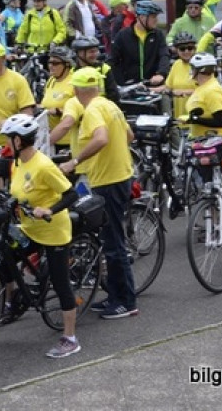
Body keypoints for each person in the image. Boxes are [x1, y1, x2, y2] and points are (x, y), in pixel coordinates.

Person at [0, 114, 81, 358]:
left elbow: (70, 195)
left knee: (61, 283)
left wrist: (50, 209)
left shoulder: (43, 166)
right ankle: (15, 301)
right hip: (29, 228)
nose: (5, 143)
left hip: (53, 231)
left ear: (19, 140)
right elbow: (19, 193)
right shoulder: (17, 162)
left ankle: (70, 338)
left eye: (8, 139)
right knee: (5, 259)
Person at [59, 68, 137, 319]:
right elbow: (129, 136)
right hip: (121, 174)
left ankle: (126, 301)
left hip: (108, 180)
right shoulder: (109, 105)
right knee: (111, 239)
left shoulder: (92, 109)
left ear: (76, 90)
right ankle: (115, 296)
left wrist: (75, 160)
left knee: (113, 242)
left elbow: (101, 138)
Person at [109, 0, 169, 87]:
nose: (156, 20)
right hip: (129, 85)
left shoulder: (158, 35)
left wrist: (161, 73)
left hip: (152, 84)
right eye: (153, 17)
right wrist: (120, 82)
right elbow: (113, 61)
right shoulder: (123, 35)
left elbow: (164, 55)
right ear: (142, 17)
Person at [181, 53, 222, 139]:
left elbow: (220, 122)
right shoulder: (201, 87)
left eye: (192, 68)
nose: (190, 70)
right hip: (199, 139)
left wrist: (194, 119)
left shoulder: (212, 90)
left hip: (212, 143)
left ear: (200, 70)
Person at [40, 46, 77, 148]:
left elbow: (83, 110)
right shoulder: (51, 80)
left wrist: (59, 111)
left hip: (69, 141)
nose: (51, 66)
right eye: (49, 62)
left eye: (55, 63)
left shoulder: (75, 81)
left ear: (67, 64)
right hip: (51, 139)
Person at [71, 36, 119, 101]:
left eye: (96, 51)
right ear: (80, 53)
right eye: (91, 52)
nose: (95, 54)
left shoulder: (104, 68)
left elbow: (114, 96)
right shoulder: (73, 71)